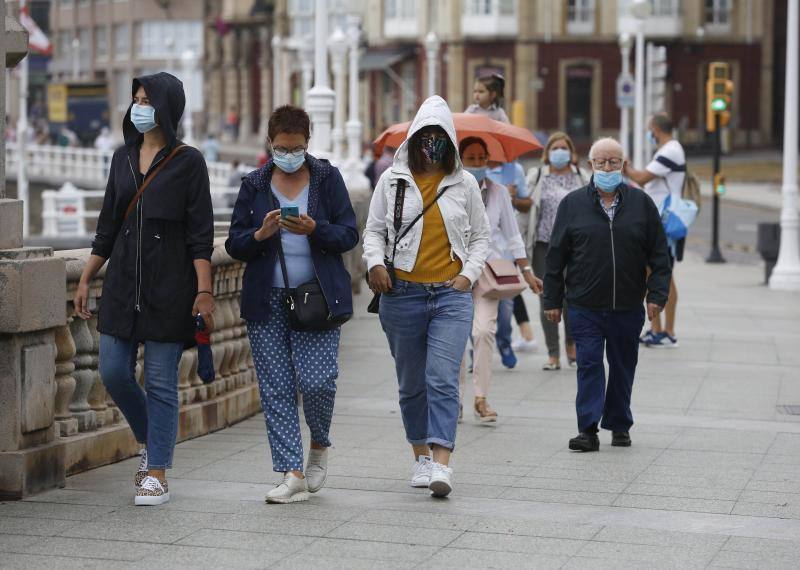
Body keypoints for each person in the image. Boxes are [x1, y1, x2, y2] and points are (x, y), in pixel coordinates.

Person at [73, 72, 214, 505]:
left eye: (147, 100)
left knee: (160, 380)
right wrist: (85, 275)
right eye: (135, 99)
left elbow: (200, 234)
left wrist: (204, 290)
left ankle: (157, 471)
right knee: (113, 372)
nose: (139, 106)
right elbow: (108, 225)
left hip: (170, 286)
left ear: (168, 108)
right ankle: (152, 440)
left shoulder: (189, 162)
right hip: (121, 285)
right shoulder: (122, 157)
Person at [226, 105, 358, 504]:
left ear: (308, 143)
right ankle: (291, 472)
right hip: (266, 301)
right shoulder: (254, 183)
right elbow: (234, 243)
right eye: (282, 147)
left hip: (315, 296)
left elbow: (349, 234)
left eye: (297, 147)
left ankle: (319, 442)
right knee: (276, 388)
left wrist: (316, 229)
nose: (289, 154)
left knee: (319, 383)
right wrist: (262, 233)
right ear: (270, 144)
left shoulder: (326, 178)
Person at [364, 96, 490, 498]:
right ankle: (420, 455)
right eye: (425, 135)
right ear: (414, 138)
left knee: (443, 376)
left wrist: (468, 276)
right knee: (411, 382)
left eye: (439, 136)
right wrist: (374, 264)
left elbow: (481, 237)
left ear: (450, 141)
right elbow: (373, 231)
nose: (431, 143)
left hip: (450, 296)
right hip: (401, 294)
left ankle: (441, 462)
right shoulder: (393, 181)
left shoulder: (464, 183)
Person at [543, 137, 671, 452]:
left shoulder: (641, 204)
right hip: (584, 304)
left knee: (623, 366)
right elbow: (556, 256)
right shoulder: (572, 204)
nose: (607, 167)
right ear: (591, 165)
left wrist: (656, 295)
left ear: (623, 165)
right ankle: (587, 429)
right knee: (588, 364)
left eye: (614, 161)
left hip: (627, 304)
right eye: (601, 162)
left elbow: (659, 255)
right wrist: (552, 300)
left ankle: (619, 423)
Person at [457, 137, 543, 423]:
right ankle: (453, 400)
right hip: (452, 273)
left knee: (483, 332)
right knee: (455, 338)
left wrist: (528, 272)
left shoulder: (498, 193)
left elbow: (512, 236)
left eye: (482, 158)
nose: (478, 163)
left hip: (489, 274)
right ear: (459, 159)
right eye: (471, 158)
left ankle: (481, 397)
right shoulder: (447, 189)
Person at [525, 132, 588, 370]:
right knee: (548, 298)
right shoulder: (538, 175)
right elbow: (525, 205)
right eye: (555, 148)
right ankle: (553, 353)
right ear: (548, 152)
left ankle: (572, 347)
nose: (559, 152)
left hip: (576, 248)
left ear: (571, 153)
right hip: (545, 245)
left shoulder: (582, 177)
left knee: (573, 298)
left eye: (564, 148)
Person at [623, 113, 685, 348]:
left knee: (664, 275)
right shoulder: (667, 150)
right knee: (653, 273)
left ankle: (668, 331)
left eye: (649, 129)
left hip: (667, 221)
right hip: (659, 219)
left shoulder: (670, 150)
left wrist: (625, 166)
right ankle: (656, 329)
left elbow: (641, 177)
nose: (649, 134)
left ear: (656, 129)